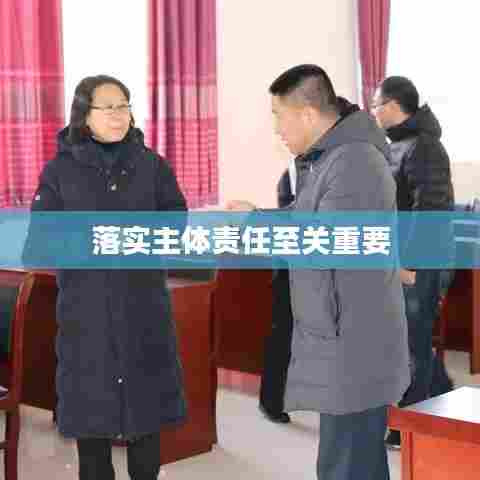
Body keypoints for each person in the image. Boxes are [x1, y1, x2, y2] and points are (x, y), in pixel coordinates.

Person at [228, 64, 410, 480]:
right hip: (344, 334)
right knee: (356, 459)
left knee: (344, 461)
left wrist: (254, 226)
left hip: (356, 339)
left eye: (279, 116)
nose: (277, 129)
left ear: (308, 114)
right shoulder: (331, 159)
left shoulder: (354, 162)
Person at [23, 75, 187, 480]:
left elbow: (176, 227)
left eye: (124, 105)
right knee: (92, 426)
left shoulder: (152, 166)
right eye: (108, 107)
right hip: (87, 319)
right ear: (84, 115)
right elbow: (39, 244)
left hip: (144, 313)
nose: (118, 114)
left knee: (147, 421)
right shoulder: (60, 172)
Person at [372, 76, 455, 449]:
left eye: (376, 105)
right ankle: (441, 399)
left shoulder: (424, 147)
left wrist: (410, 265)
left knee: (412, 344)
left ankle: (409, 429)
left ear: (392, 106)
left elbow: (429, 213)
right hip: (401, 260)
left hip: (419, 263)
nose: (373, 112)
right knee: (410, 339)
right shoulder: (398, 145)